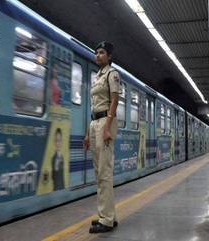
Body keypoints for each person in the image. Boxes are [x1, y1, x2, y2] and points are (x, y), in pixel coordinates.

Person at [84, 41, 120, 233]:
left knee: (104, 173)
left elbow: (114, 101)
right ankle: (108, 215)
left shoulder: (112, 74)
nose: (97, 55)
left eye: (102, 52)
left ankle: (106, 220)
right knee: (99, 173)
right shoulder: (97, 76)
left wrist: (106, 127)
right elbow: (93, 106)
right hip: (95, 123)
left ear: (109, 56)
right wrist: (88, 134)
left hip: (105, 122)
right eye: (96, 52)